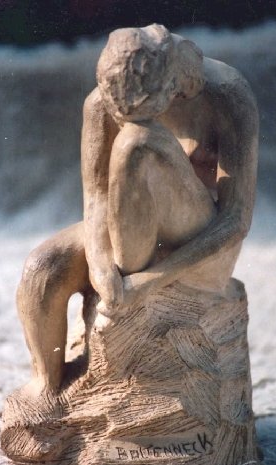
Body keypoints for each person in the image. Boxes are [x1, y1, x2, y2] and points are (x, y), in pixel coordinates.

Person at [16, 24, 258, 395]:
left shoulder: (228, 94)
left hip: (200, 237)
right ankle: (47, 388)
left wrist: (150, 280)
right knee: (42, 268)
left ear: (173, 86)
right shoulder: (103, 100)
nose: (116, 115)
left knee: (136, 142)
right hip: (128, 226)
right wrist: (100, 266)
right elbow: (97, 198)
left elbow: (235, 220)